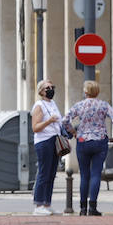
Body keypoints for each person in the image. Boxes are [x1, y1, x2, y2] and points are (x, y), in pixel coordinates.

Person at [64, 80, 113, 216]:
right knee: (95, 174)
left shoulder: (79, 105)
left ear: (85, 92)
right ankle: (92, 207)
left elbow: (64, 120)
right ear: (97, 92)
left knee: (84, 175)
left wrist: (73, 132)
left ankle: (82, 208)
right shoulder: (103, 105)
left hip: (83, 141)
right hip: (100, 141)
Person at [30, 79, 65, 215]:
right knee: (44, 173)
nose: (51, 89)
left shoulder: (53, 104)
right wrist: (49, 121)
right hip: (44, 141)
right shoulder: (39, 105)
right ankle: (38, 205)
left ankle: (47, 203)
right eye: (47, 88)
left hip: (54, 140)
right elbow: (35, 127)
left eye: (52, 86)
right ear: (41, 91)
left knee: (51, 174)